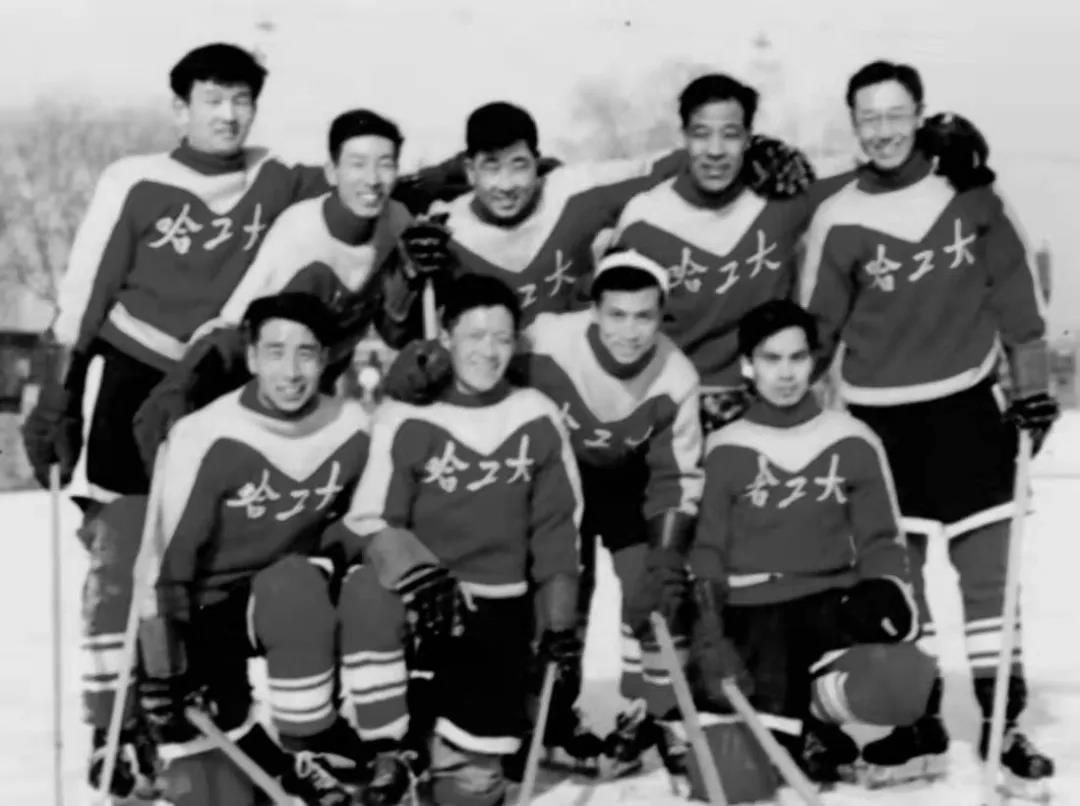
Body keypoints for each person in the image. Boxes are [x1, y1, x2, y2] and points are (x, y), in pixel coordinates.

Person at [799, 60, 1057, 794]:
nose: (883, 130)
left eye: (895, 114)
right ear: (854, 124)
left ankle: (1002, 723)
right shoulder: (837, 216)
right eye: (869, 118)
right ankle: (920, 720)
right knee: (898, 584)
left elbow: (1015, 293)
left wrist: (1032, 386)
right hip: (881, 422)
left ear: (919, 115)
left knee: (989, 581)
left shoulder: (970, 193)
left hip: (969, 408)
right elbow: (817, 328)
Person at [338, 273, 583, 806]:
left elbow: (557, 528)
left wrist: (559, 624)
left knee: (471, 792)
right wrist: (418, 573)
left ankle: (458, 754)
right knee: (365, 594)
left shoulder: (536, 415)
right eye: (474, 336)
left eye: (502, 338)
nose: (488, 352)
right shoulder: (408, 415)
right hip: (423, 601)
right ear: (446, 337)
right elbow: (371, 519)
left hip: (499, 608)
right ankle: (392, 748)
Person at [134, 292, 373, 805]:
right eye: (275, 352)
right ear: (251, 358)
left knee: (297, 585)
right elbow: (163, 561)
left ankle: (314, 740)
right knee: (208, 790)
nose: (291, 372)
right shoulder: (206, 435)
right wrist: (162, 662)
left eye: (306, 353)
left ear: (326, 358)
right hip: (206, 607)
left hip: (295, 598)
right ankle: (265, 765)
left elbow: (365, 519)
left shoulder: (351, 426)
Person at [688, 299, 937, 785]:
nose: (785, 373)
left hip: (829, 608)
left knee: (905, 678)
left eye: (797, 358)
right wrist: (710, 635)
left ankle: (817, 720)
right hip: (754, 619)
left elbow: (882, 540)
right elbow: (707, 552)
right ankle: (793, 730)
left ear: (813, 361)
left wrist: (885, 589)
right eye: (770, 359)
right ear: (747, 365)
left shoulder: (852, 439)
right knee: (735, 778)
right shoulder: (724, 448)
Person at [130, 107, 439, 469]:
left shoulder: (398, 221)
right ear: (331, 172)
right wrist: (185, 391)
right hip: (239, 371)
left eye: (385, 164)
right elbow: (237, 333)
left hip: (315, 383)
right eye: (357, 164)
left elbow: (393, 331)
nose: (372, 179)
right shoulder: (302, 236)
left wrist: (409, 278)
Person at [511, 249, 704, 778]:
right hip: (557, 478)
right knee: (560, 600)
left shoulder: (676, 375)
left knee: (652, 591)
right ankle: (550, 717)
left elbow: (677, 474)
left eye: (644, 316)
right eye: (616, 315)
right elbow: (490, 374)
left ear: (661, 315)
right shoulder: (547, 340)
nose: (630, 331)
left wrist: (667, 554)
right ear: (594, 311)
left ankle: (655, 714)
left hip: (628, 482)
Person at [611, 73, 831, 435]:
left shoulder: (780, 201)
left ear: (748, 138)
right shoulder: (645, 221)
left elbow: (854, 187)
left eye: (730, 134)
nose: (715, 150)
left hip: (768, 397)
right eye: (701, 134)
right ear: (684, 136)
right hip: (676, 404)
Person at [411, 101, 683, 328]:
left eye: (519, 165)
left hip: (575, 366)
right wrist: (407, 269)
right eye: (491, 168)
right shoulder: (444, 229)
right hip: (495, 370)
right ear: (470, 171)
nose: (506, 185)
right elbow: (406, 326)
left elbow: (660, 168)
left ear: (536, 162)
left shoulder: (573, 191)